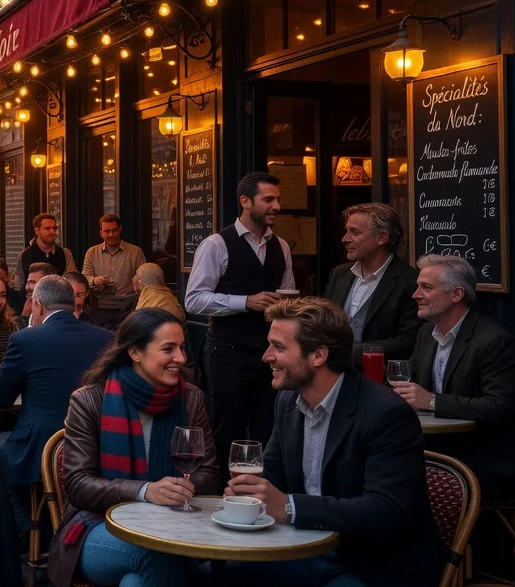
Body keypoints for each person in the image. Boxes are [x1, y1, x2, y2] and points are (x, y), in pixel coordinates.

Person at [225, 297, 441, 587]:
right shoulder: (288, 401)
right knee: (216, 573)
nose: (266, 356)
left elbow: (386, 512)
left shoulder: (386, 414)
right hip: (305, 551)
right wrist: (250, 496)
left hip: (374, 565)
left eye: (279, 347)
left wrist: (289, 507)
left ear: (318, 355)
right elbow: (273, 476)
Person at [46, 308, 220, 587]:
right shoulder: (90, 400)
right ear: (135, 352)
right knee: (156, 550)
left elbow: (209, 474)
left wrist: (178, 489)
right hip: (97, 524)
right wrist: (145, 491)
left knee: (134, 582)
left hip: (174, 525)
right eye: (168, 349)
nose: (181, 358)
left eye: (182, 348)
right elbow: (78, 485)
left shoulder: (190, 399)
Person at [0, 276, 111, 536]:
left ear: (38, 305)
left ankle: (28, 530)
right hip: (96, 445)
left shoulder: (25, 340)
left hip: (40, 448)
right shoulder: (106, 338)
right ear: (73, 304)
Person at [185, 171, 295, 458]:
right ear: (245, 201)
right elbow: (194, 300)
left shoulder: (281, 247)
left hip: (270, 354)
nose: (276, 206)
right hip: (227, 352)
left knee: (269, 429)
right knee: (227, 431)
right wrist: (245, 302)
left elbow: (287, 294)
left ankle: (263, 485)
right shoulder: (216, 244)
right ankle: (224, 485)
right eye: (268, 199)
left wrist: (286, 307)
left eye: (278, 199)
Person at [397, 255, 515, 499]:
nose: (415, 295)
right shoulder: (426, 333)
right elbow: (411, 383)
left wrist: (431, 401)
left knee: (404, 481)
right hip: (435, 449)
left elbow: (499, 408)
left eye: (426, 287)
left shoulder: (493, 340)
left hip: (480, 455)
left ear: (457, 294)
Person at [322, 203, 422, 363]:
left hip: (379, 375)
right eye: (347, 231)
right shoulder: (339, 274)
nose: (345, 239)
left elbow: (407, 343)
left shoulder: (410, 281)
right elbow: (323, 323)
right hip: (333, 371)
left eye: (354, 232)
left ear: (382, 237)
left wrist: (347, 353)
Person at [80, 214, 145, 328]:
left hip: (128, 307)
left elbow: (143, 280)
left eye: (114, 230)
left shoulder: (135, 252)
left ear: (120, 229)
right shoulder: (92, 253)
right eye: (107, 231)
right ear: (101, 233)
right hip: (101, 306)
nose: (111, 234)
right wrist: (95, 280)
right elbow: (84, 278)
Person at [18, 213, 77, 283]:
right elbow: (18, 283)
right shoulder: (25, 255)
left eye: (54, 228)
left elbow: (73, 281)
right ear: (37, 231)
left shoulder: (65, 253)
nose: (52, 232)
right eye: (47, 228)